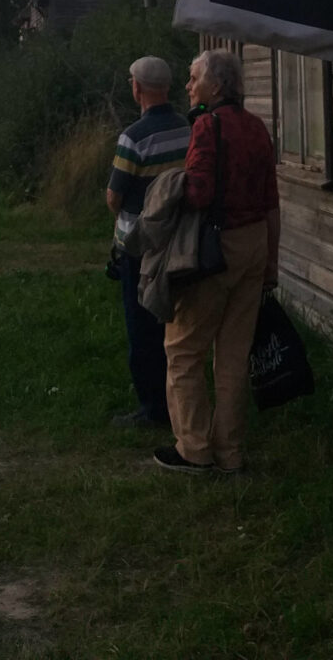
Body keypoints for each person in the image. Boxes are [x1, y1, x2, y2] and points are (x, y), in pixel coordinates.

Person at [154, 49, 280, 476]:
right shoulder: (257, 127)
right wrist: (272, 263)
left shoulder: (208, 126)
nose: (188, 86)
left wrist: (172, 185)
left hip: (215, 249)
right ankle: (230, 453)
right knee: (233, 355)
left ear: (217, 85)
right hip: (255, 243)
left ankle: (194, 449)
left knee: (183, 349)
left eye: (194, 78)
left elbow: (199, 194)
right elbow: (272, 202)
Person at [106, 56, 191, 427]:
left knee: (141, 327)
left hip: (140, 246)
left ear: (137, 88)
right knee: (176, 323)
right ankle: (178, 399)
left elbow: (114, 197)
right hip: (181, 241)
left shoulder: (133, 137)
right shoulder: (188, 129)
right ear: (167, 87)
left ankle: (152, 408)